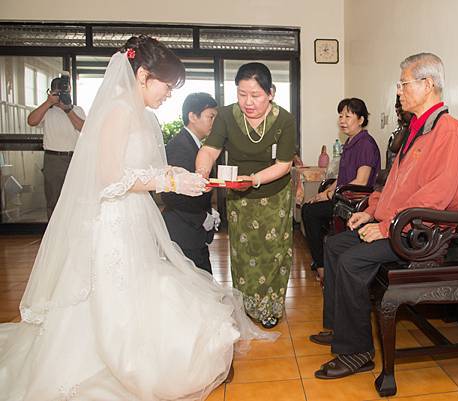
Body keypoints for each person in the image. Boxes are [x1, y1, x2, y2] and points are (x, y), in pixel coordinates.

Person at [0, 35, 275, 401]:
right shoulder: (116, 111)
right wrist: (170, 179)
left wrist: (183, 179)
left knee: (146, 285)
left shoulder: (145, 117)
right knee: (111, 298)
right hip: (112, 220)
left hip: (136, 216)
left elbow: (151, 170)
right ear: (144, 74)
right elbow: (110, 175)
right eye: (167, 85)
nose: (169, 95)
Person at [309, 53, 458, 379]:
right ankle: (342, 327)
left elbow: (436, 196)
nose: (399, 90)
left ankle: (357, 353)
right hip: (401, 224)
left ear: (427, 84)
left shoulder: (447, 130)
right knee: (335, 244)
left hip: (424, 233)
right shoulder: (416, 129)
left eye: (403, 83)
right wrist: (369, 212)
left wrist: (385, 226)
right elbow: (391, 183)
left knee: (352, 260)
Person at [195, 62, 296, 329]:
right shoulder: (227, 116)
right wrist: (201, 171)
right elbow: (209, 150)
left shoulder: (284, 120)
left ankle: (270, 306)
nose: (248, 102)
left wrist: (255, 179)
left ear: (271, 93)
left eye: (255, 95)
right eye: (242, 94)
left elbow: (285, 164)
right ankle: (246, 305)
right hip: (240, 197)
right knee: (244, 253)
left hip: (274, 195)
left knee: (273, 252)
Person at [301, 98, 380, 282]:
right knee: (310, 206)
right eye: (340, 115)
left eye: (348, 116)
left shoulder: (365, 144)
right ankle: (322, 261)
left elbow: (361, 182)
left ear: (360, 120)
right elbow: (342, 178)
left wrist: (331, 194)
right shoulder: (350, 142)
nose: (342, 120)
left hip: (356, 201)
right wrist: (324, 193)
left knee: (310, 213)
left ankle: (322, 266)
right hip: (342, 197)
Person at [162, 92, 219, 274]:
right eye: (211, 116)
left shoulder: (194, 145)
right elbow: (171, 195)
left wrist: (210, 212)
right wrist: (203, 217)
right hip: (183, 230)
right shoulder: (179, 147)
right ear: (192, 116)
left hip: (192, 230)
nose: (214, 122)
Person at [27, 75, 86, 219]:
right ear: (51, 92)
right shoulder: (47, 110)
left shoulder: (77, 109)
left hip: (74, 159)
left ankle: (73, 234)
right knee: (53, 199)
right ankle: (53, 237)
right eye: (57, 92)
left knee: (75, 199)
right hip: (53, 160)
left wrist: (67, 110)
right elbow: (31, 121)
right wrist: (49, 102)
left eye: (64, 91)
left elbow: (84, 128)